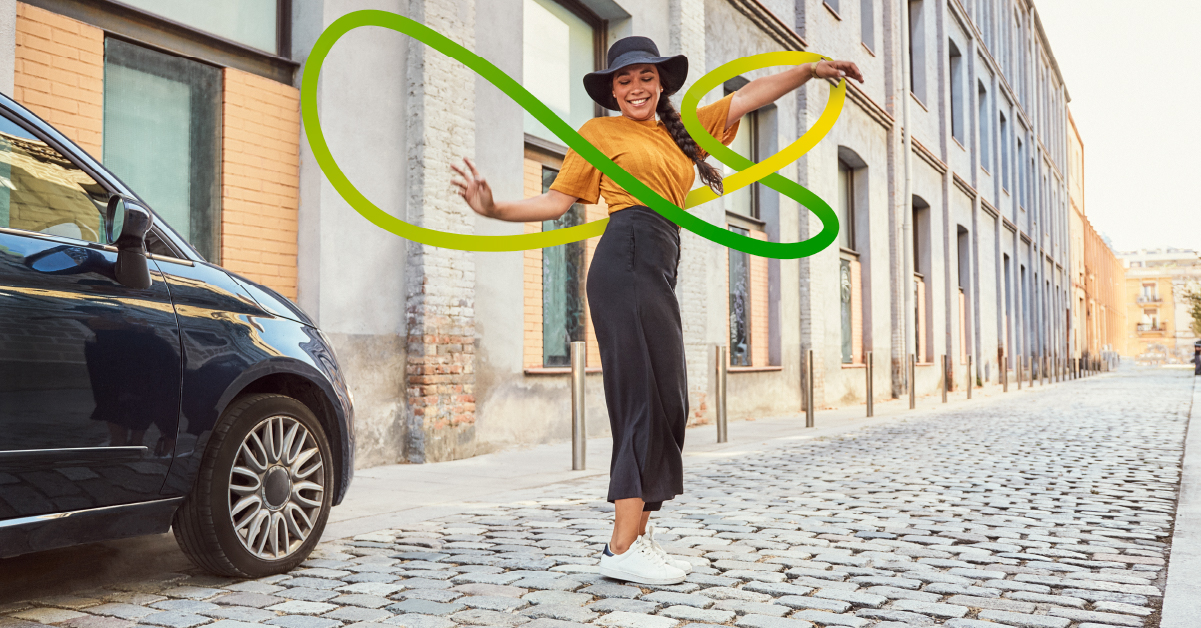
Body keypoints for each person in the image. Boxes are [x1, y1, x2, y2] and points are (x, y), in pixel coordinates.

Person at [452, 36, 863, 585]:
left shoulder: (682, 129)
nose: (635, 88)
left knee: (670, 401)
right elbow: (557, 203)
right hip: (624, 256)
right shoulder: (598, 134)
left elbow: (749, 96)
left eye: (644, 77)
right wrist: (495, 207)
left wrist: (811, 69)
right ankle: (621, 548)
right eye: (623, 80)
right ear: (612, 91)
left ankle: (639, 539)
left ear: (661, 83)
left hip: (660, 261)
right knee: (641, 397)